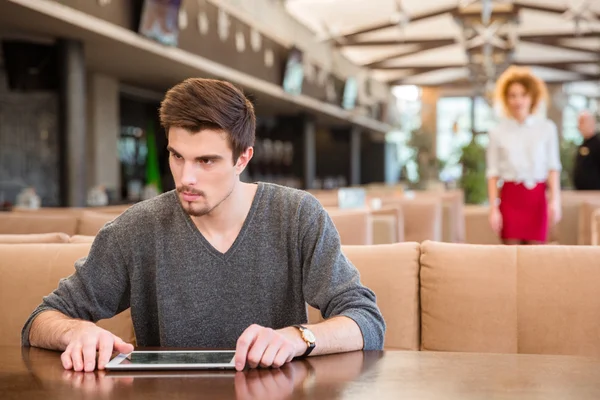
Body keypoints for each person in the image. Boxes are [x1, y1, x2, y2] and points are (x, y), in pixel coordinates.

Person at [22, 78, 385, 373]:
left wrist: (297, 338)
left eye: (206, 161)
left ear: (244, 158)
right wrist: (76, 331)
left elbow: (365, 319)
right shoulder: (137, 229)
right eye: (176, 156)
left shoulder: (296, 216)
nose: (186, 177)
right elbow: (40, 320)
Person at [486, 66, 562, 245]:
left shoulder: (547, 128)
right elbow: (492, 173)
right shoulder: (497, 132)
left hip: (537, 199)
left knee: (537, 257)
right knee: (511, 258)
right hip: (510, 198)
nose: (518, 100)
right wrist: (493, 209)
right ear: (506, 99)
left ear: (532, 97)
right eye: (513, 95)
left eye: (523, 94)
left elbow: (553, 168)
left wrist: (555, 201)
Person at [572, 110, 600, 190]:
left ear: (592, 123)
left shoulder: (597, 145)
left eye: (582, 122)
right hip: (582, 192)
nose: (579, 126)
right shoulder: (583, 144)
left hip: (594, 193)